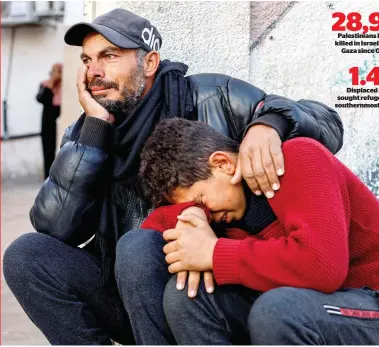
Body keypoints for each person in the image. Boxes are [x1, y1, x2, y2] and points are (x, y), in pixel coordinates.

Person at [3, 8, 344, 345]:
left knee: (137, 247)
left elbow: (327, 122)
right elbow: (56, 228)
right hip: (122, 286)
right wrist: (94, 131)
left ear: (149, 63)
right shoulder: (89, 131)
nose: (94, 71)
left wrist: (270, 124)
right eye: (87, 60)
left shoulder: (212, 98)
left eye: (109, 56)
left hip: (203, 291)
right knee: (26, 255)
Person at [138, 118, 379, 345]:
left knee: (277, 310)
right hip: (318, 312)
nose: (207, 214)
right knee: (186, 297)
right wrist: (193, 214)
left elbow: (322, 267)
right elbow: (146, 234)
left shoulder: (298, 157)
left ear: (223, 164)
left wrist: (214, 253)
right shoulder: (224, 207)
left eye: (201, 202)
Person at [36, 63, 62, 179]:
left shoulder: (65, 87)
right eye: (54, 71)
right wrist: (51, 84)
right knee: (48, 151)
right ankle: (48, 177)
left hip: (62, 122)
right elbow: (40, 99)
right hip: (48, 123)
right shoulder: (46, 85)